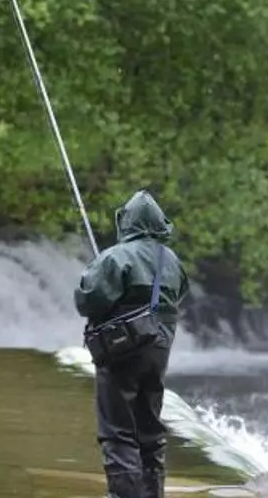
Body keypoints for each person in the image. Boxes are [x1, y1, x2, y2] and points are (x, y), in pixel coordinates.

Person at [74, 190, 190, 498]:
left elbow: (87, 301)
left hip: (121, 350)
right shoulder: (171, 259)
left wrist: (94, 272)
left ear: (126, 222)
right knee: (150, 429)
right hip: (159, 351)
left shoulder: (115, 257)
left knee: (117, 431)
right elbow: (178, 295)